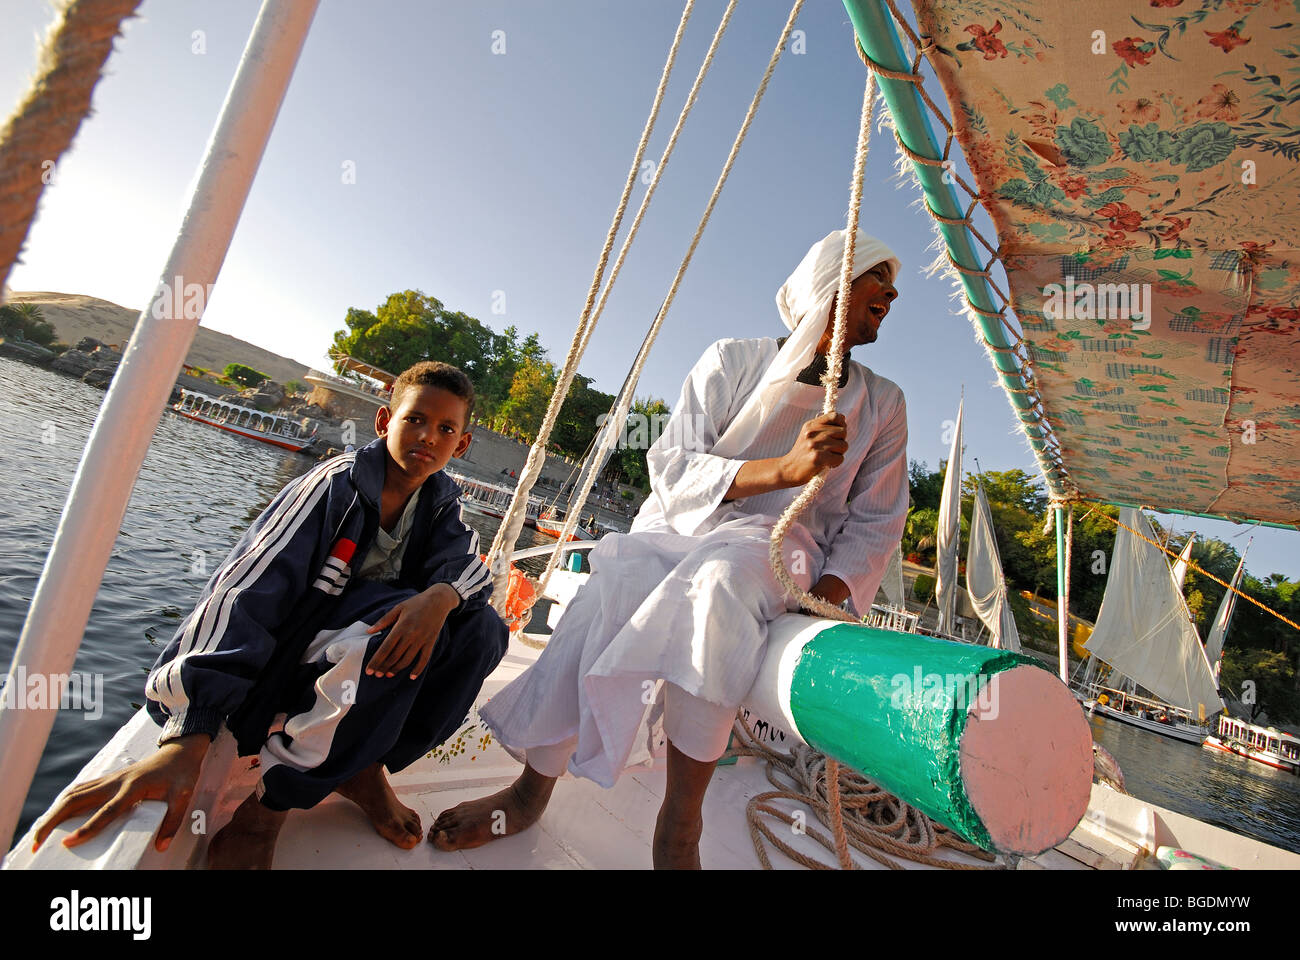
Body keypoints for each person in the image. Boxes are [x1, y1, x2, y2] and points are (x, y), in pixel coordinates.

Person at [429, 229, 909, 868]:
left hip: (782, 551)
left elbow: (875, 523)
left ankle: (679, 825)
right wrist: (783, 470)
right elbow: (673, 464)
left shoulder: (884, 404)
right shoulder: (731, 361)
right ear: (829, 284)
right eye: (875, 277)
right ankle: (527, 793)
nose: (892, 292)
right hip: (683, 527)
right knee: (606, 590)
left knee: (721, 586)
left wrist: (821, 598)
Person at [32, 361, 509, 868]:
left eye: (445, 429)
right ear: (383, 421)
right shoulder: (334, 488)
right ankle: (267, 806)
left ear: (461, 445)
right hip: (294, 657)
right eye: (415, 419)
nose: (427, 436)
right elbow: (244, 592)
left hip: (354, 658)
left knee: (483, 631)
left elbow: (469, 573)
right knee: (392, 625)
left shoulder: (440, 506)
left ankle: (362, 765)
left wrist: (438, 599)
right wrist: (190, 732)